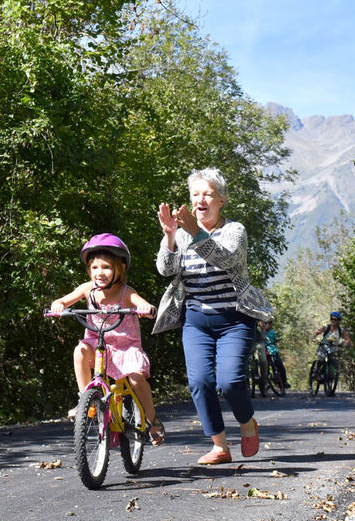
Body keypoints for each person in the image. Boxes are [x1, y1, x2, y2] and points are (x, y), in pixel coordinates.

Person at [156, 168, 268, 465]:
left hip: (235, 319)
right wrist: (169, 236)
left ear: (222, 201)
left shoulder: (235, 230)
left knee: (230, 383)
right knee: (201, 381)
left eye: (207, 194)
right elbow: (166, 270)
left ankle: (247, 423)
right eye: (195, 194)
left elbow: (227, 258)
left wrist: (195, 232)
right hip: (196, 320)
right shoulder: (179, 234)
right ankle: (220, 446)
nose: (200, 199)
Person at [50, 233, 166, 446]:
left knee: (135, 378)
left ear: (118, 270)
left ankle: (152, 419)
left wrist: (144, 308)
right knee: (80, 351)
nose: (99, 273)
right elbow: (64, 299)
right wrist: (58, 304)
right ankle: (86, 400)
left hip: (125, 347)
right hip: (98, 345)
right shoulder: (87, 290)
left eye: (106, 267)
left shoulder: (126, 292)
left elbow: (142, 303)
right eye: (94, 268)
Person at [261, 318, 290, 389]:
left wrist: (275, 346)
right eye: (267, 323)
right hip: (265, 353)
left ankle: (284, 382)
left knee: (280, 367)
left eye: (270, 323)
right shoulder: (260, 332)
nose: (268, 325)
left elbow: (275, 341)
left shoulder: (272, 332)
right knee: (265, 368)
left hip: (274, 352)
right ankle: (265, 383)